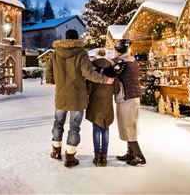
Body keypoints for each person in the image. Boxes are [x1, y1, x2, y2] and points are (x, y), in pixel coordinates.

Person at [45, 29, 115, 167]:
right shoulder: (81, 53)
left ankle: (56, 151)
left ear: (65, 38)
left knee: (58, 123)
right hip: (77, 97)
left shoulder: (55, 53)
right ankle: (70, 157)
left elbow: (48, 74)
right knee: (74, 126)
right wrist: (106, 80)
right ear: (76, 38)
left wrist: (57, 81)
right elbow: (89, 73)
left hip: (61, 96)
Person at [113, 39, 146, 166]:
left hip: (126, 97)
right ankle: (130, 152)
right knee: (129, 125)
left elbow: (113, 74)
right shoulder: (131, 59)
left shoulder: (122, 62)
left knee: (128, 126)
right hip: (132, 96)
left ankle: (138, 155)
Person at [86, 49, 119, 167]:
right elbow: (116, 90)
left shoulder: (92, 69)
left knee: (96, 129)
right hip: (107, 104)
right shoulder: (112, 69)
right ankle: (104, 157)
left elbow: (88, 90)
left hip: (95, 103)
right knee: (105, 129)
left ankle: (97, 157)